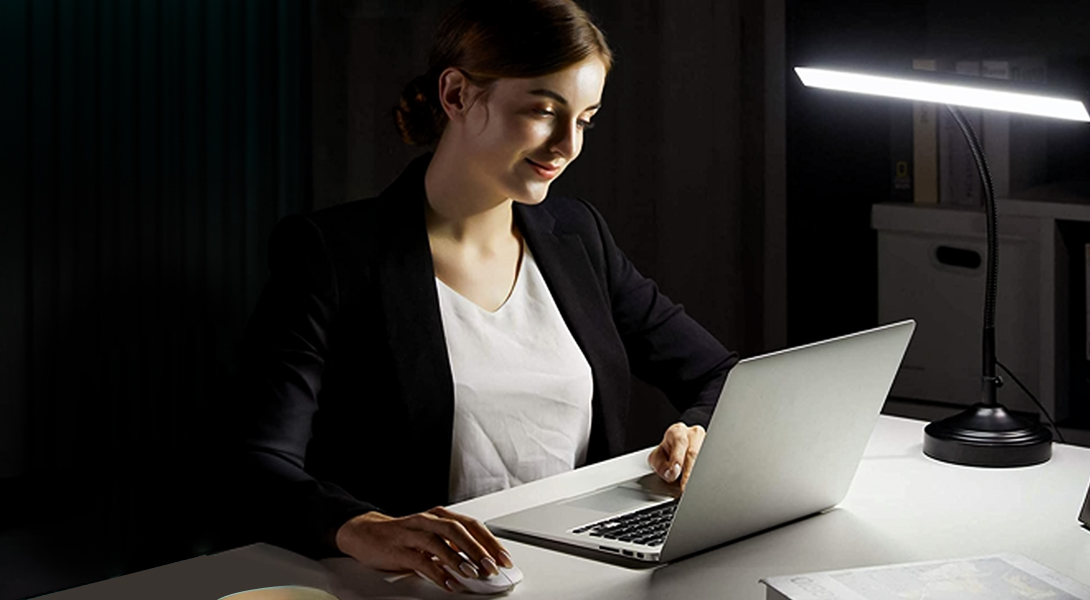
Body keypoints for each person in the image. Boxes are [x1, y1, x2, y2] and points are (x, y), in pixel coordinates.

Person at [228, 0, 737, 593]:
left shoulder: (577, 236)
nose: (567, 144)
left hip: (587, 576)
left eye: (586, 119)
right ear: (457, 96)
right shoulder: (333, 254)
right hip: (422, 586)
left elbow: (719, 376)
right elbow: (256, 466)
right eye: (543, 111)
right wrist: (361, 527)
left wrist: (696, 431)